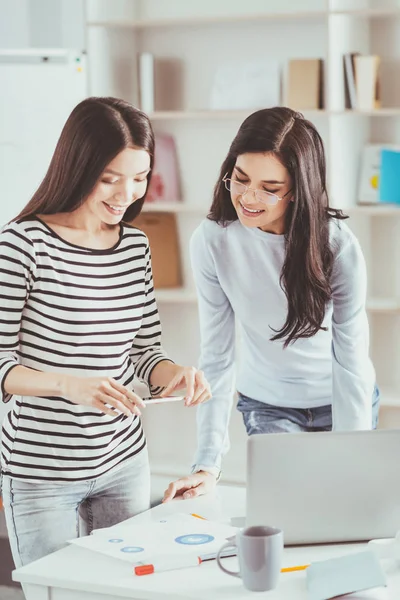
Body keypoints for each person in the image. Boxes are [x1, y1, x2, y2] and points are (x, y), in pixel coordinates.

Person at [0, 96, 211, 567]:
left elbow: (143, 351)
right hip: (40, 472)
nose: (126, 194)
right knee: (56, 591)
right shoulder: (22, 245)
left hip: (124, 462)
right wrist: (65, 383)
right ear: (77, 167)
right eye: (110, 179)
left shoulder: (134, 247)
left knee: (129, 589)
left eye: (140, 179)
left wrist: (173, 372)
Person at [163, 106, 379, 503]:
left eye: (269, 187)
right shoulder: (212, 240)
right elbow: (217, 356)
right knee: (289, 512)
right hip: (269, 405)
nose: (248, 197)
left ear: (297, 188)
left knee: (345, 510)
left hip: (341, 399)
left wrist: (352, 453)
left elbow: (351, 360)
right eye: (240, 179)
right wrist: (206, 464)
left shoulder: (337, 245)